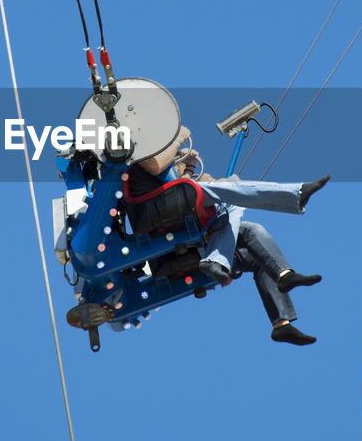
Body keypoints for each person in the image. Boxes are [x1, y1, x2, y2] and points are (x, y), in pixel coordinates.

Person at [130, 126, 330, 346]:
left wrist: (188, 168)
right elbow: (156, 165)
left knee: (254, 233)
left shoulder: (159, 168)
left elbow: (169, 180)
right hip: (161, 212)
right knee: (229, 190)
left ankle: (282, 299)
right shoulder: (137, 152)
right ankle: (295, 195)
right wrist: (178, 139)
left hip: (175, 212)